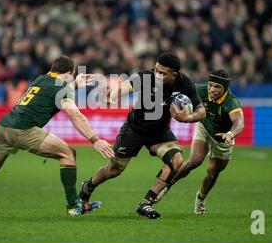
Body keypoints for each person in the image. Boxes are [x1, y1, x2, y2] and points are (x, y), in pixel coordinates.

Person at [0, 56, 115, 218]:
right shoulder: (61, 87)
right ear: (70, 73)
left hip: (3, 127)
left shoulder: (41, 79)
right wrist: (95, 139)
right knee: (68, 153)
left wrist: (74, 85)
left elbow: (54, 91)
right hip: (23, 130)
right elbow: (73, 113)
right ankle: (74, 205)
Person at [79, 52, 206, 219]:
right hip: (134, 129)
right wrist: (112, 95)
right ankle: (87, 187)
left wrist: (188, 118)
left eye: (163, 73)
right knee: (114, 169)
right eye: (156, 70)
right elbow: (125, 87)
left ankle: (145, 203)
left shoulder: (185, 83)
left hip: (159, 132)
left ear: (174, 75)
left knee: (176, 160)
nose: (157, 75)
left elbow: (201, 111)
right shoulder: (145, 77)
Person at [153, 69, 245, 215]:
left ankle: (200, 198)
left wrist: (230, 134)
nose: (212, 90)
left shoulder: (231, 102)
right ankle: (166, 186)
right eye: (211, 85)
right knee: (194, 160)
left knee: (212, 173)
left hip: (222, 138)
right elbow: (177, 88)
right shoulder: (199, 90)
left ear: (225, 88)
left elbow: (239, 123)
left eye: (217, 87)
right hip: (203, 126)